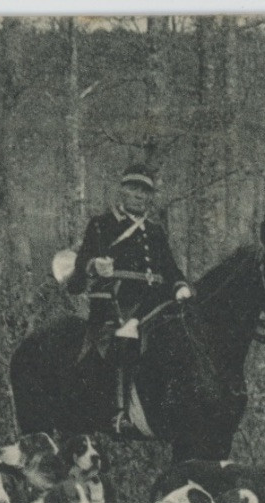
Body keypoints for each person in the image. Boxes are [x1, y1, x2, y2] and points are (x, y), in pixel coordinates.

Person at [65, 164, 193, 433]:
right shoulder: (101, 225)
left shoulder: (155, 231)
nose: (139, 195)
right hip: (114, 302)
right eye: (133, 188)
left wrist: (180, 286)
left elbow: (169, 269)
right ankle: (120, 413)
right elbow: (78, 274)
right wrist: (94, 265)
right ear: (122, 190)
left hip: (154, 302)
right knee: (127, 336)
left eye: (145, 190)